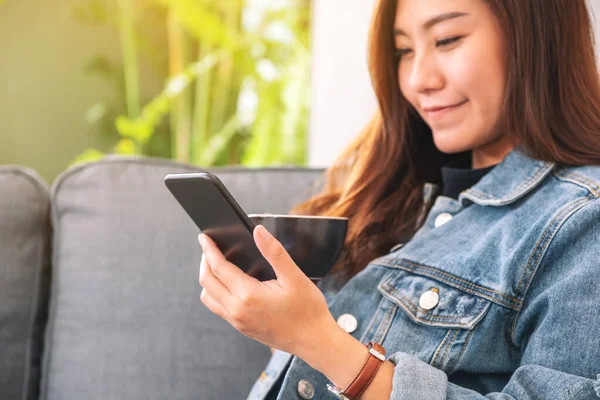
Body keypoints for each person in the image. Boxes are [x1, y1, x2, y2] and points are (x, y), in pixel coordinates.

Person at [197, 0, 600, 398]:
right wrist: (278, 322)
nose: (418, 79)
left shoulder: (583, 220)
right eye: (404, 50)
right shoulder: (391, 193)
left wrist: (314, 338)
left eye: (447, 39)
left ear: (537, 39)